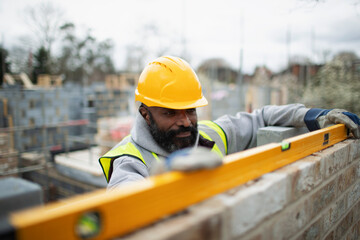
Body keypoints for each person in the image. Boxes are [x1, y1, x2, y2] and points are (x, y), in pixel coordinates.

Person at [99, 56, 360, 189]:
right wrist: (162, 187)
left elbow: (262, 117)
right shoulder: (129, 163)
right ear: (145, 114)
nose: (185, 122)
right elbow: (123, 204)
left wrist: (312, 116)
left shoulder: (212, 135)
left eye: (190, 110)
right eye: (170, 113)